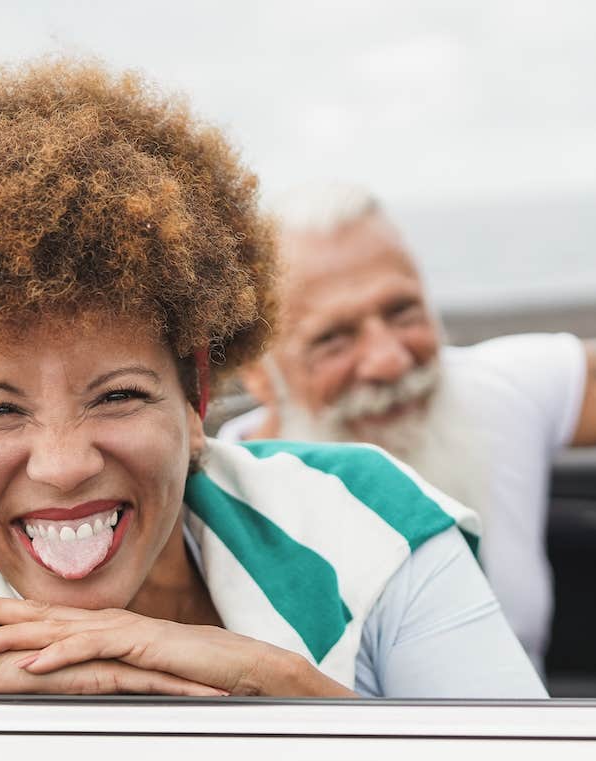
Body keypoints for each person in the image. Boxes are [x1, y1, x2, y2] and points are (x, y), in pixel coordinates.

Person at [0, 61, 544, 700]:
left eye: (118, 395)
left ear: (195, 402)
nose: (62, 464)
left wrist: (280, 689)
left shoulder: (360, 518)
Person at [220, 182, 596, 672]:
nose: (390, 360)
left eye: (402, 311)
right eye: (333, 339)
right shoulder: (213, 514)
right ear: (257, 373)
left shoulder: (495, 391)